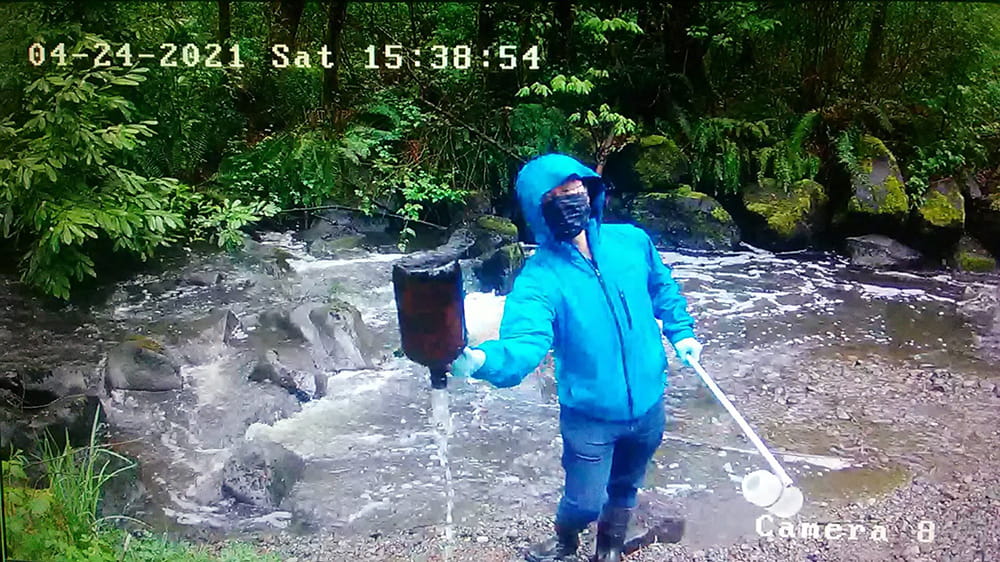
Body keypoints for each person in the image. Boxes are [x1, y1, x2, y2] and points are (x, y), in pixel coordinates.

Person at [449, 154, 702, 562]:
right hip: (589, 416)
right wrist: (481, 360)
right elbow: (525, 342)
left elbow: (663, 289)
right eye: (554, 195)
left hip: (650, 403)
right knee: (583, 501)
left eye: (573, 190)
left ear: (589, 190)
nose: (568, 200)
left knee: (626, 486)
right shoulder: (539, 278)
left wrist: (682, 332)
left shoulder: (632, 242)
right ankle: (566, 542)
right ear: (538, 208)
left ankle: (610, 549)